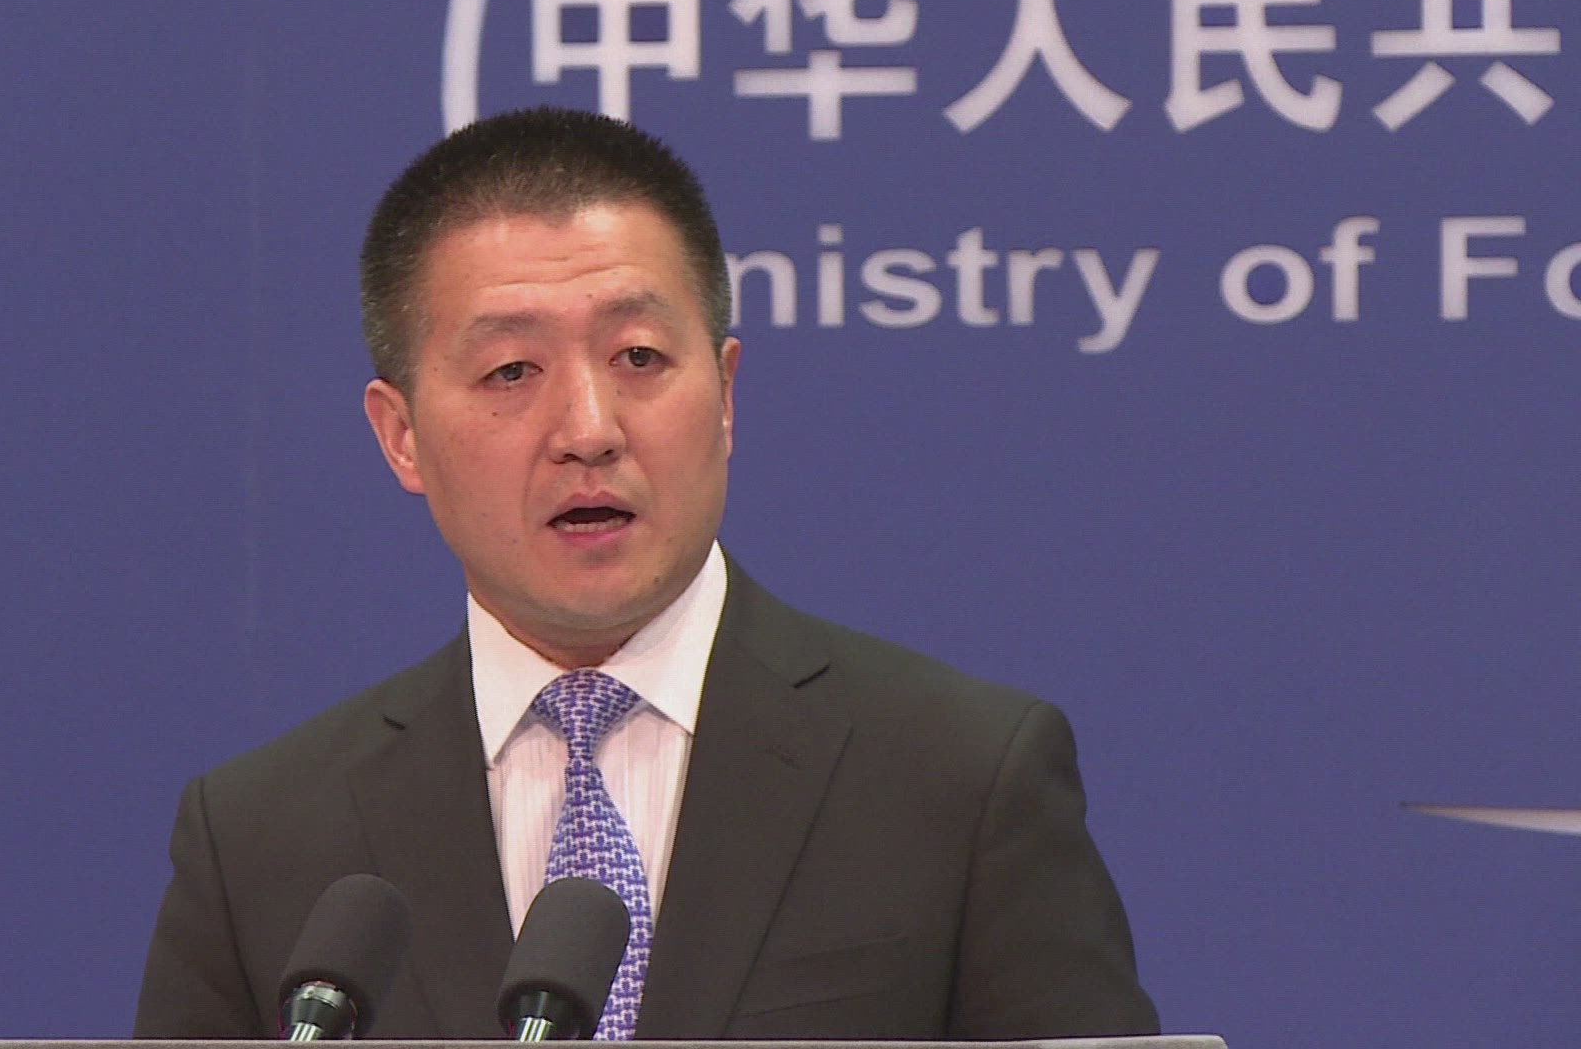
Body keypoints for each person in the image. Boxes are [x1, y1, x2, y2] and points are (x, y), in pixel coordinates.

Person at [133, 107, 1158, 1041]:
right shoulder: (261, 841)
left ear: (725, 393)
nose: (589, 429)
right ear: (400, 435)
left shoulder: (959, 780)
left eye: (638, 357)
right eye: (511, 371)